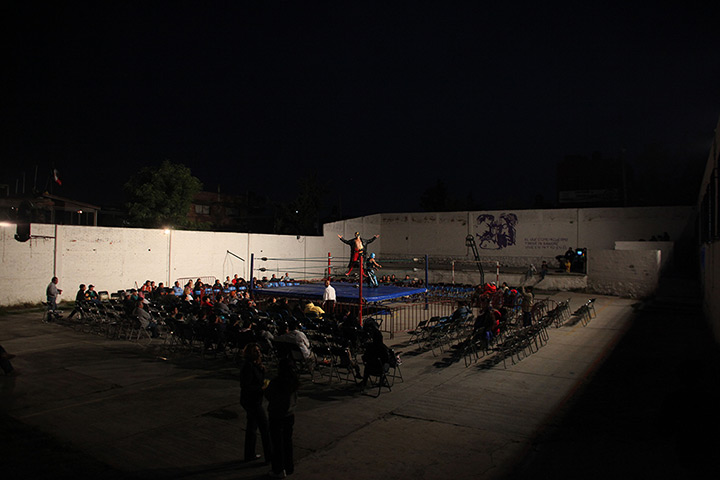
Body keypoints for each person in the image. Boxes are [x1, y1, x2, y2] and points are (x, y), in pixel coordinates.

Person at [265, 357, 299, 478]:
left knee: (277, 443)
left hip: (277, 414)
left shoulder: (277, 382)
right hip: (290, 414)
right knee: (287, 442)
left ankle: (278, 469)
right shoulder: (294, 380)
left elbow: (269, 395)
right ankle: (289, 466)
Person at [240, 343, 272, 464]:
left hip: (253, 399)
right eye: (255, 351)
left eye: (258, 350)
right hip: (251, 400)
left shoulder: (255, 365)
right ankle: (269, 456)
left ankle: (249, 454)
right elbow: (246, 386)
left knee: (252, 427)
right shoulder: (248, 367)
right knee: (265, 428)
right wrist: (261, 388)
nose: (258, 352)